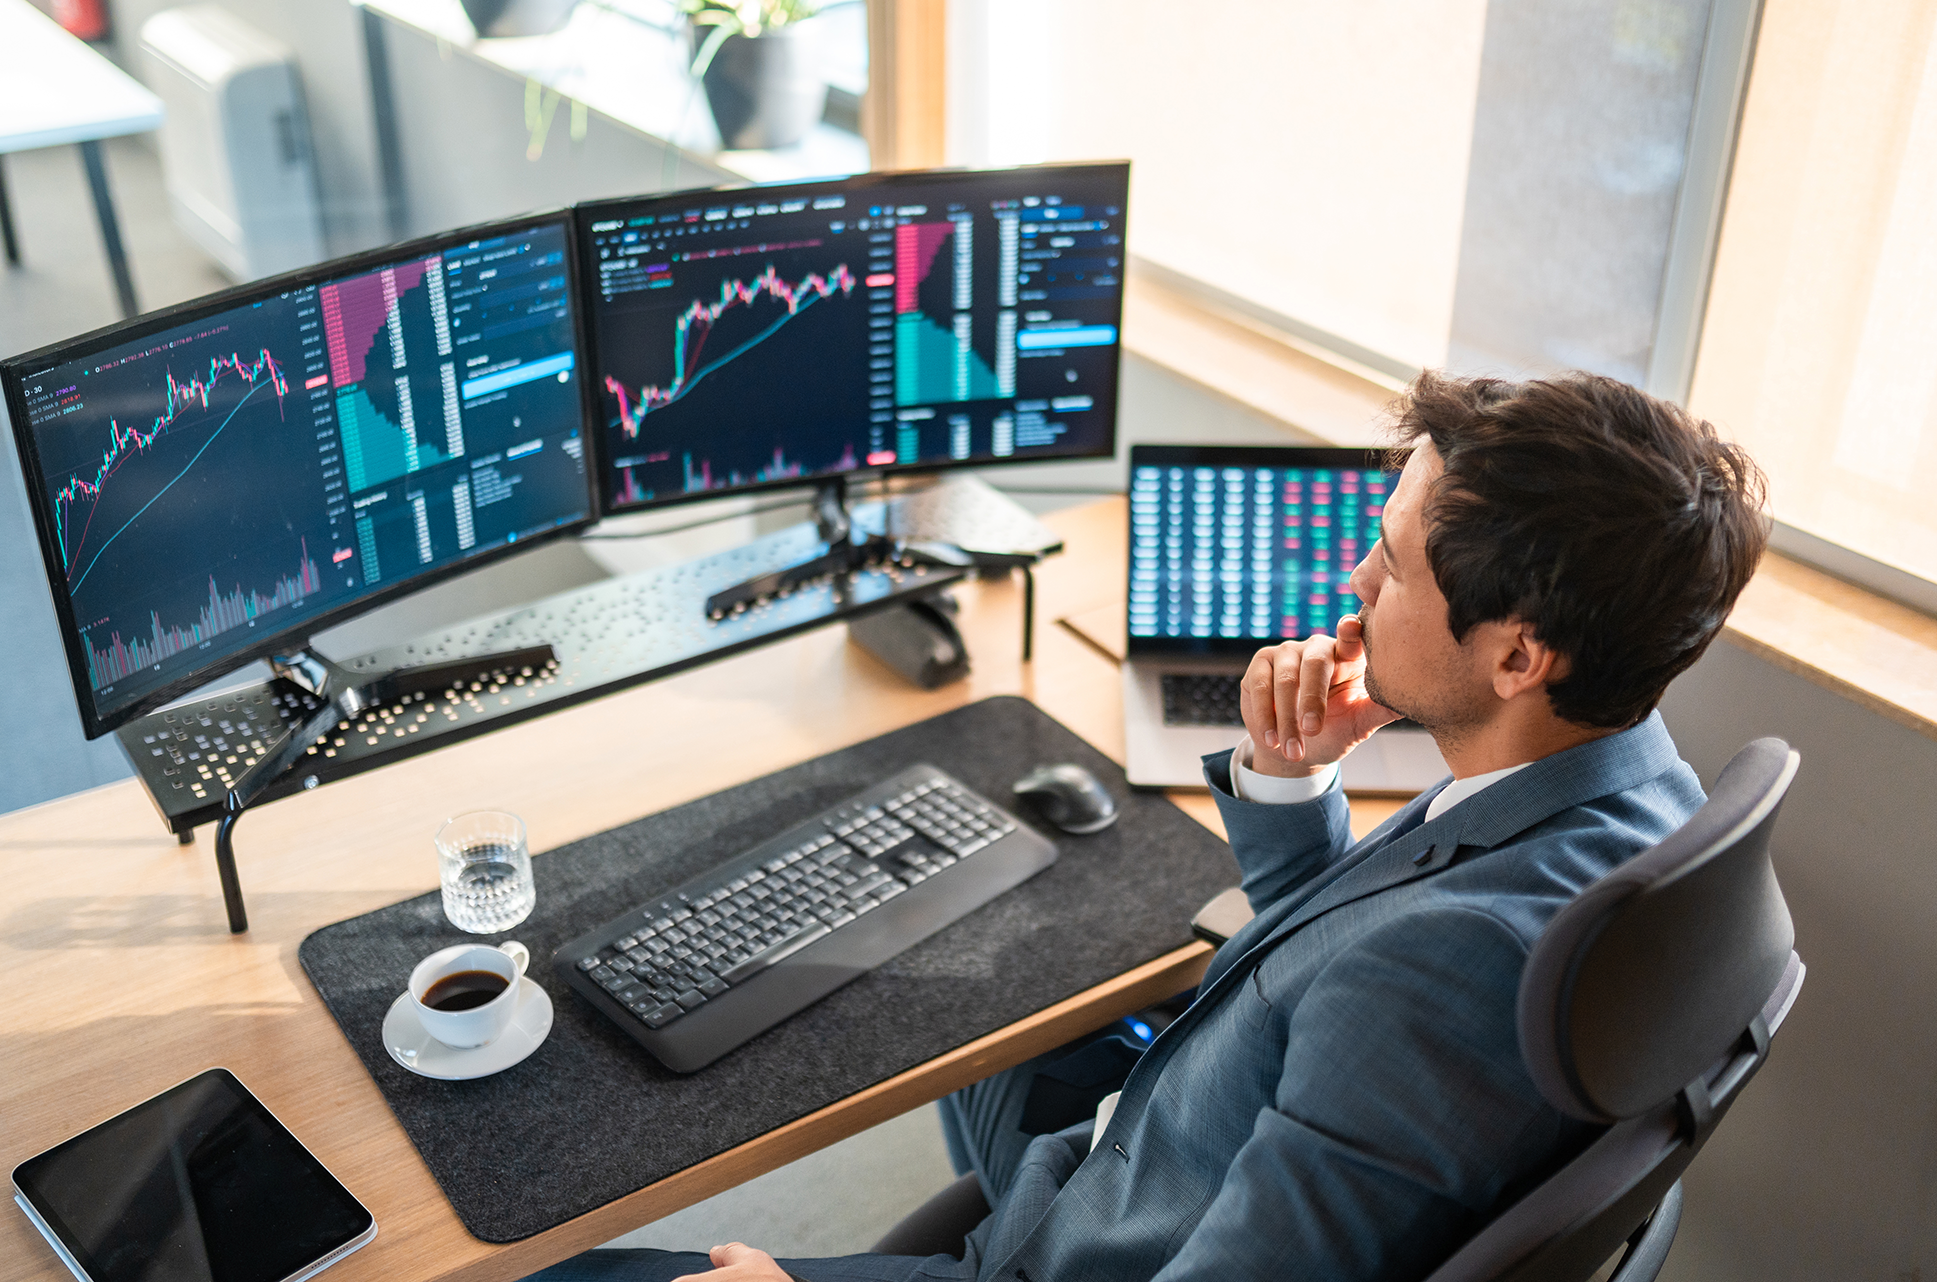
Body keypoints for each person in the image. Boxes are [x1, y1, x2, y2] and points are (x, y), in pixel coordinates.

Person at [534, 371, 1770, 1282]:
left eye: (1392, 565)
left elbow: (1389, 986)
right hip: (1164, 1140)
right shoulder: (1630, 795)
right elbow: (1346, 958)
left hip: (1079, 1247)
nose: (1355, 580)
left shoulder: (1445, 975)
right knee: (998, 985)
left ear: (1515, 655)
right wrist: (1286, 776)